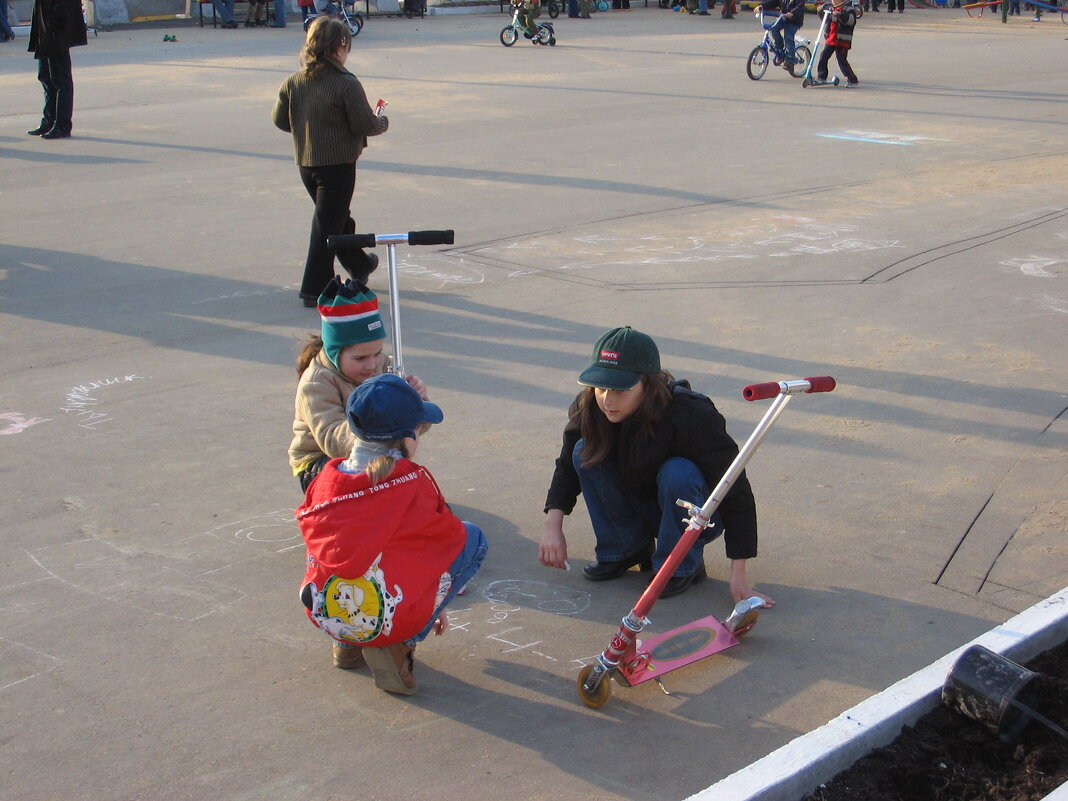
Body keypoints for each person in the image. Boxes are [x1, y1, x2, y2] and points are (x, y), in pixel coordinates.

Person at [539, 327, 774, 604]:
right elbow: (567, 466)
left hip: (694, 516)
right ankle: (625, 549)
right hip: (638, 499)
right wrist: (553, 527)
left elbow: (734, 489)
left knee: (678, 471)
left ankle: (679, 563)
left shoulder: (691, 415)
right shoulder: (590, 406)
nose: (607, 400)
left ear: (648, 384)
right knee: (583, 451)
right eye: (601, 387)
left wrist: (739, 574)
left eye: (620, 390)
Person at [296, 373, 488, 695]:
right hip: (385, 617)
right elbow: (447, 540)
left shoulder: (324, 481)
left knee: (358, 563)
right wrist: (434, 602)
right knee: (472, 537)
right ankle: (400, 644)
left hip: (325, 610)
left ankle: (346, 644)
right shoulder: (411, 482)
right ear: (407, 437)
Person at [272, 16, 388, 307]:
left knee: (335, 219)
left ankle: (359, 263)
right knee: (325, 227)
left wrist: (306, 128)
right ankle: (315, 288)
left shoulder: (293, 81)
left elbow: (279, 120)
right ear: (339, 47)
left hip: (307, 163)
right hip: (337, 166)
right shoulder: (345, 83)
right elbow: (365, 124)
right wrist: (381, 121)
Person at [289, 276, 429, 492]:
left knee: (406, 486)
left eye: (378, 353)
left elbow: (420, 426)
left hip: (373, 450)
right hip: (320, 464)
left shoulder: (383, 365)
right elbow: (333, 442)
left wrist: (416, 401)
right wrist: (380, 425)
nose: (372, 364)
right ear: (335, 353)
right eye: (360, 359)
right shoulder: (316, 382)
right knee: (376, 487)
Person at [27, 0, 86, 139]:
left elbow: (63, 10)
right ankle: (49, 121)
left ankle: (62, 125)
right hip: (45, 33)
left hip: (56, 35)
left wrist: (53, 27)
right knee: (46, 78)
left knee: (61, 81)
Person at [815, 0, 859, 88]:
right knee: (823, 56)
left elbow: (850, 21)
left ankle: (852, 79)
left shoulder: (849, 9)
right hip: (831, 39)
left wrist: (840, 15)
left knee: (841, 60)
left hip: (842, 40)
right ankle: (821, 76)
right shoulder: (832, 8)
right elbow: (824, 19)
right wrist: (820, 9)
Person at [762, 0, 805, 70]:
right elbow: (773, 2)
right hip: (783, 17)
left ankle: (790, 61)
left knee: (788, 37)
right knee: (773, 28)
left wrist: (792, 13)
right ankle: (779, 48)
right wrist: (762, 6)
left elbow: (800, 7)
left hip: (794, 20)